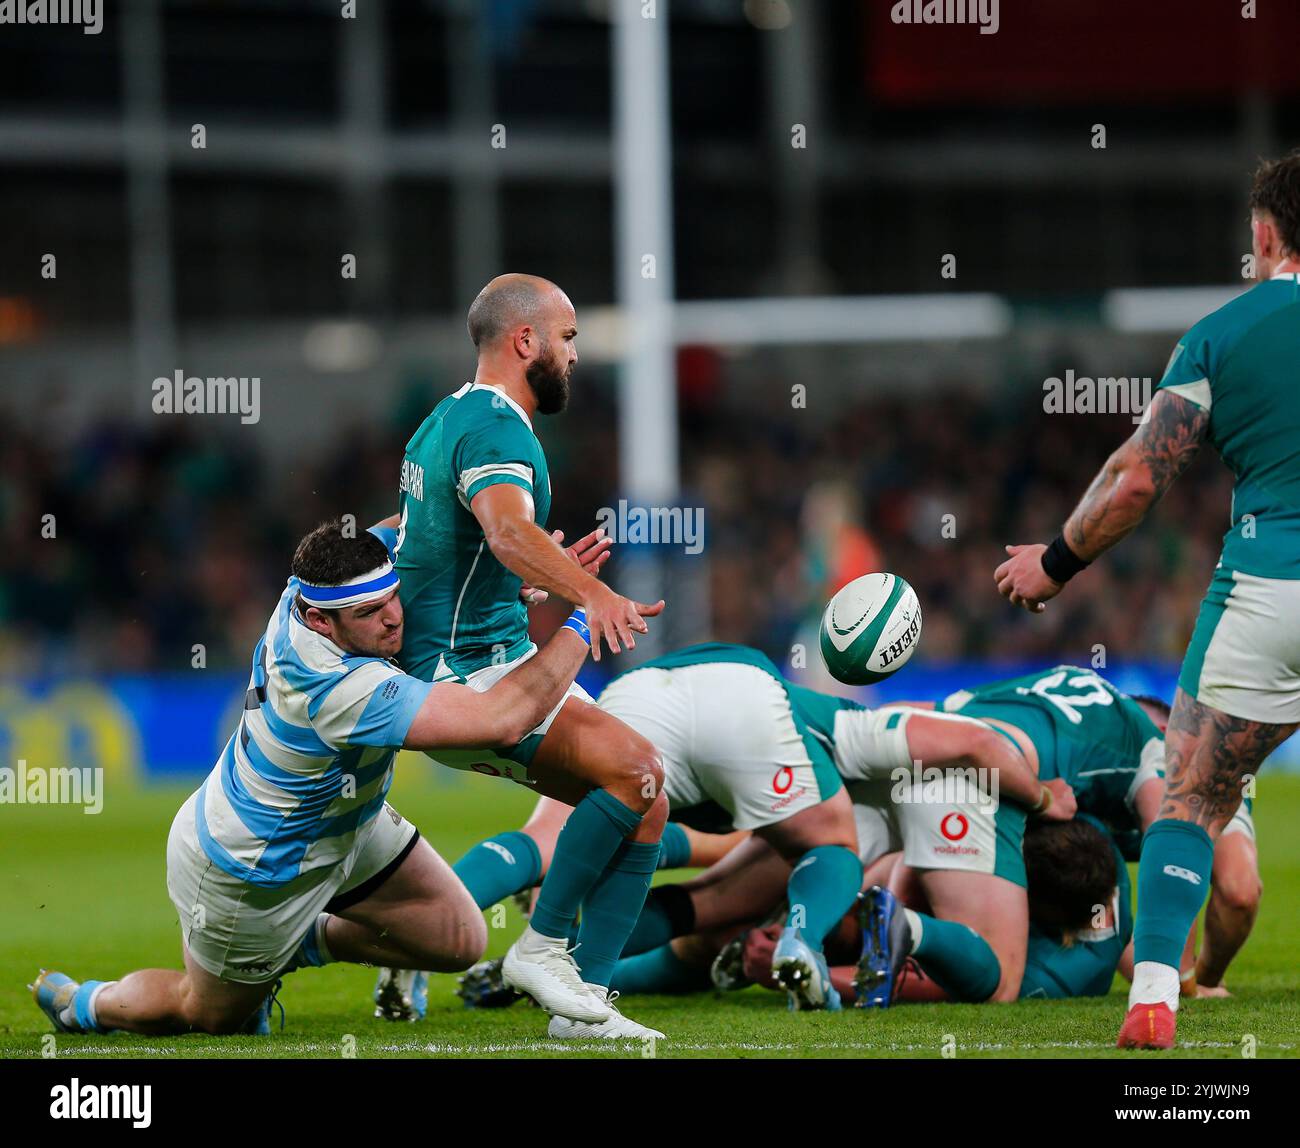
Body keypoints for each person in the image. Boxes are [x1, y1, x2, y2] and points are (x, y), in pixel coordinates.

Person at [31, 521, 599, 1037]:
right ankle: (88, 1003)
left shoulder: (309, 589)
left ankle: (295, 943)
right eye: (371, 613)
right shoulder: (332, 687)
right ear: (320, 621)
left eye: (392, 597)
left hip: (345, 819)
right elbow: (500, 720)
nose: (394, 617)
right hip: (256, 864)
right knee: (207, 1014)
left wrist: (503, 562)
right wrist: (583, 613)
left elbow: (425, 515)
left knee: (458, 940)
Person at [995, 152, 1300, 1049]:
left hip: (1269, 589)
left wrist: (1052, 563)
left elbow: (1136, 481)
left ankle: (1156, 995)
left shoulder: (1222, 333)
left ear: (1264, 234)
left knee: (1196, 799)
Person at [388, 272, 668, 1039]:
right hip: (470, 680)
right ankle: (541, 952)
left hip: (489, 652)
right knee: (635, 768)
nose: (575, 356)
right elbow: (509, 535)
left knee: (648, 799)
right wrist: (591, 596)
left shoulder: (445, 420)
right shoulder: (498, 430)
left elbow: (438, 548)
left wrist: (535, 586)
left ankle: (586, 1002)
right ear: (526, 341)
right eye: (568, 338)